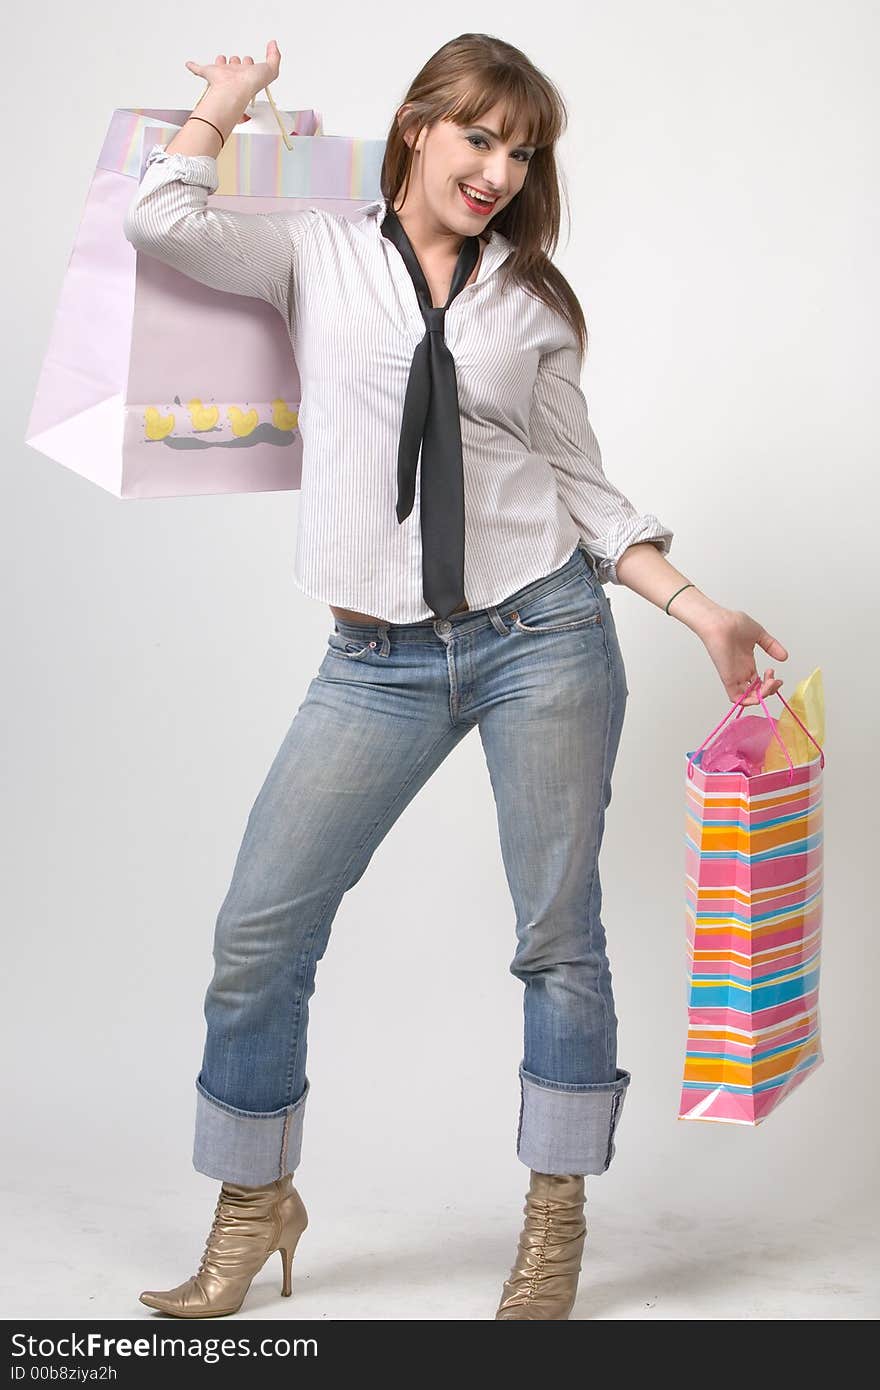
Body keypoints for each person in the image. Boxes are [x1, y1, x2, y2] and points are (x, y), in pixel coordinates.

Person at [123, 32, 788, 1320]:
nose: (498, 169)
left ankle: (554, 1219)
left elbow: (584, 488)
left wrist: (696, 609)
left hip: (542, 637)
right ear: (420, 126)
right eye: (479, 137)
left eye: (521, 151)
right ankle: (255, 1202)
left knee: (557, 940)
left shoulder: (528, 305)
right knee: (258, 934)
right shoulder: (313, 249)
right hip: (373, 658)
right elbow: (162, 217)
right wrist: (222, 104)